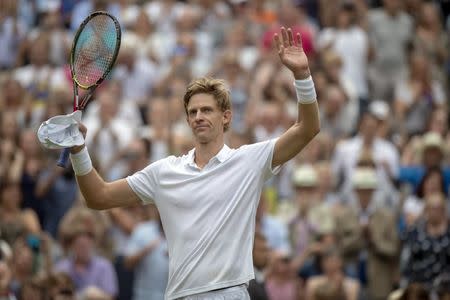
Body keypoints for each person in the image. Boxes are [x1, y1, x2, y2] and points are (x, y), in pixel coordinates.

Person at [63, 27, 320, 300]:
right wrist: (79, 150)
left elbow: (308, 129)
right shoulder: (164, 172)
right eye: (193, 112)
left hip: (228, 293)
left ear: (226, 117)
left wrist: (302, 75)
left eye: (207, 110)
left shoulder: (249, 161)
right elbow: (98, 196)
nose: (199, 116)